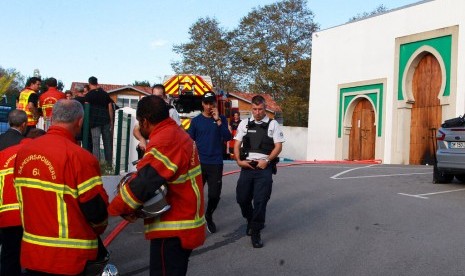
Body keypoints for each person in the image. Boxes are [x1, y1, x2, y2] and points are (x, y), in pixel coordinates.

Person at [108, 95, 205, 276]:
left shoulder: (166, 139)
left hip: (173, 229)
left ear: (145, 121)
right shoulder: (175, 132)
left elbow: (145, 181)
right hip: (183, 225)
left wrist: (116, 208)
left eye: (139, 122)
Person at [14, 99, 109, 275]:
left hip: (32, 254)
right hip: (70, 259)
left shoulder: (23, 153)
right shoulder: (80, 157)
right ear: (80, 121)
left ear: (52, 117)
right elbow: (96, 211)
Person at [233, 95, 285, 248]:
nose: (257, 112)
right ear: (251, 108)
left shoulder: (272, 124)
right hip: (247, 165)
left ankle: (256, 232)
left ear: (265, 108)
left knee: (260, 201)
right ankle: (250, 220)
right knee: (242, 198)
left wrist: (267, 161)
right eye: (254, 109)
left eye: (260, 109)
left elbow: (278, 146)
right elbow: (237, 145)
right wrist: (239, 161)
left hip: (264, 166)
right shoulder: (244, 123)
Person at [0, 128, 45, 276]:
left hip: (6, 215)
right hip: (32, 216)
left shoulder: (4, 154)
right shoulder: (40, 155)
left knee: (9, 258)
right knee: (36, 257)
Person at [188, 91, 232, 233]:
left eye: (211, 103)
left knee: (214, 195)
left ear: (215, 104)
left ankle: (209, 215)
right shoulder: (195, 121)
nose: (209, 106)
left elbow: (227, 137)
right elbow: (189, 142)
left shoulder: (222, 119)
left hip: (216, 163)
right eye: (206, 103)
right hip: (199, 164)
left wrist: (218, 120)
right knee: (195, 194)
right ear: (202, 104)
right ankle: (194, 219)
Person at [133, 84, 181, 159]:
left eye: (159, 97)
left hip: (164, 152)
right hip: (149, 150)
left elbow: (180, 131)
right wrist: (142, 139)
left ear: (164, 96)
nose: (156, 99)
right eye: (154, 96)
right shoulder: (146, 109)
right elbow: (136, 129)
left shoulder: (171, 111)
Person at [85, 76, 114, 163]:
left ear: (89, 84)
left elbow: (87, 108)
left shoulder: (88, 95)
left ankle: (96, 163)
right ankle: (108, 164)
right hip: (105, 120)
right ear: (97, 83)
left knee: (96, 143)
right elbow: (110, 108)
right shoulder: (105, 94)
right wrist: (111, 121)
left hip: (94, 122)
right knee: (107, 143)